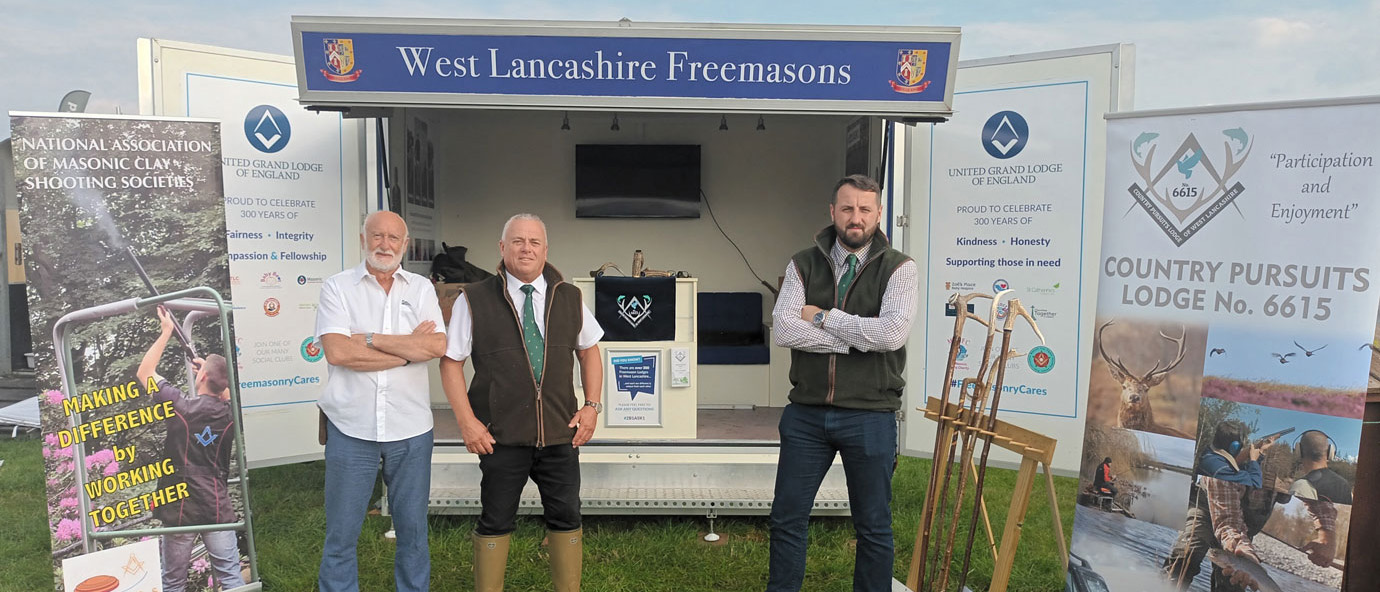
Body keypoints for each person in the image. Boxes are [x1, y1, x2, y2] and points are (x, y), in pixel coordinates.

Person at [767, 174, 918, 592]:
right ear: (832, 212)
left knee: (873, 526)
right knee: (786, 519)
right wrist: (856, 341)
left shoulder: (900, 268)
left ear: (878, 214)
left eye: (865, 209)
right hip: (807, 414)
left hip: (870, 414)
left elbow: (891, 336)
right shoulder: (802, 263)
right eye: (848, 208)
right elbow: (783, 330)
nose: (856, 217)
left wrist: (823, 316)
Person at [440, 213, 604, 592]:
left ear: (545, 250)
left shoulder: (569, 296)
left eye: (534, 242)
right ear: (502, 248)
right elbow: (451, 364)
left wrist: (592, 406)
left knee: (566, 517)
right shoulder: (475, 298)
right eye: (517, 241)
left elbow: (590, 351)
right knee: (496, 520)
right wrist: (467, 421)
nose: (526, 248)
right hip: (499, 435)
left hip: (561, 433)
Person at [315, 211, 446, 592]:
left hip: (411, 429)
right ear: (363, 239)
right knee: (341, 533)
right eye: (377, 236)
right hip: (351, 429)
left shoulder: (420, 288)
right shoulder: (338, 287)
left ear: (405, 245)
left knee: (413, 532)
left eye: (393, 238)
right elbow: (338, 352)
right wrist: (408, 349)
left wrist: (369, 338)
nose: (384, 245)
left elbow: (436, 345)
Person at [136, 306, 245, 592]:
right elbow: (225, 390)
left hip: (180, 507)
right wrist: (208, 373)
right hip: (216, 505)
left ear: (202, 377)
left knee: (173, 582)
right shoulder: (231, 412)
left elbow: (144, 372)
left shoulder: (180, 406)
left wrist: (166, 333)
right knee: (231, 578)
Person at [1164, 421, 1336, 591]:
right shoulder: (1221, 469)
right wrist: (1243, 552)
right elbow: (1227, 520)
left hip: (1241, 530)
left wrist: (1327, 534)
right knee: (1185, 557)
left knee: (1232, 584)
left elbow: (1317, 498)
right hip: (1207, 510)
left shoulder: (1286, 478)